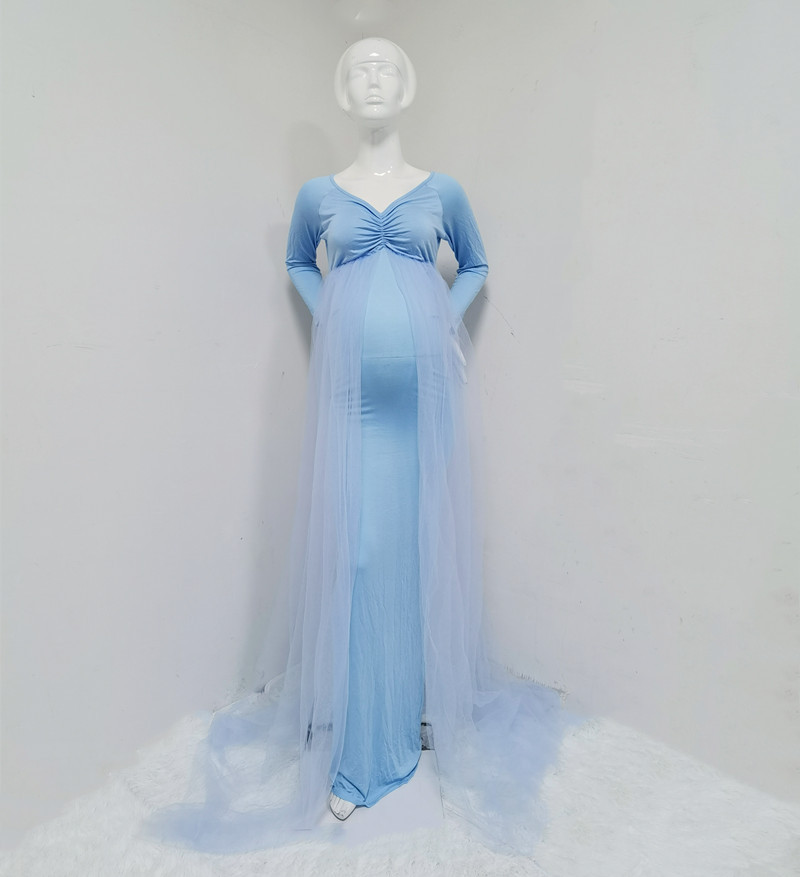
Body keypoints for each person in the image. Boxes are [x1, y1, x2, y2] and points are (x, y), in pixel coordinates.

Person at [146, 38, 571, 855]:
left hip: (422, 406)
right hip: (352, 404)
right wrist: (333, 314)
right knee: (363, 553)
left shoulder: (442, 189)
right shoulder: (319, 194)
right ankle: (362, 748)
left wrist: (443, 318)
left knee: (414, 551)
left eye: (386, 67)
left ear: (407, 86)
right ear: (344, 91)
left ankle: (405, 713)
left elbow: (476, 263)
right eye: (359, 68)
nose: (373, 77)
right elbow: (297, 262)